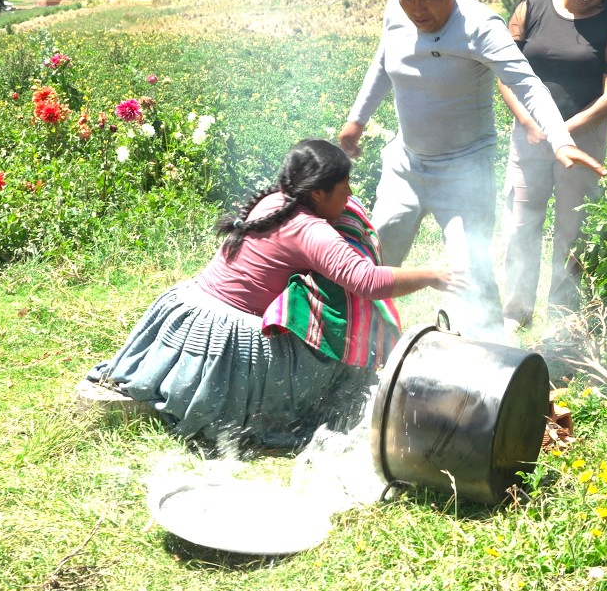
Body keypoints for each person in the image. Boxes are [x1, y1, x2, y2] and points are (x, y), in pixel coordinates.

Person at [86, 139, 464, 448]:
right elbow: (367, 282)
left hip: (188, 308)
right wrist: (431, 274)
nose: (350, 195)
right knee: (327, 354)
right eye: (344, 186)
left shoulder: (274, 202)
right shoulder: (311, 231)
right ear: (317, 192)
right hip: (226, 333)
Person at [339, 0, 605, 342]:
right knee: (374, 261)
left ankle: (492, 368)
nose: (417, 9)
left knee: (469, 273)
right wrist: (356, 120)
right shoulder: (396, 13)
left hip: (464, 173)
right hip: (405, 167)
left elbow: (527, 85)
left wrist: (560, 140)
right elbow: (382, 62)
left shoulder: (481, 27)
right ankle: (357, 349)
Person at [498, 0, 607, 337]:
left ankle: (561, 317)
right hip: (528, 134)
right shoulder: (530, 10)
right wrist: (528, 123)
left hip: (583, 141)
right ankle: (516, 311)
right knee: (521, 223)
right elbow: (507, 75)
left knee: (573, 230)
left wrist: (561, 132)